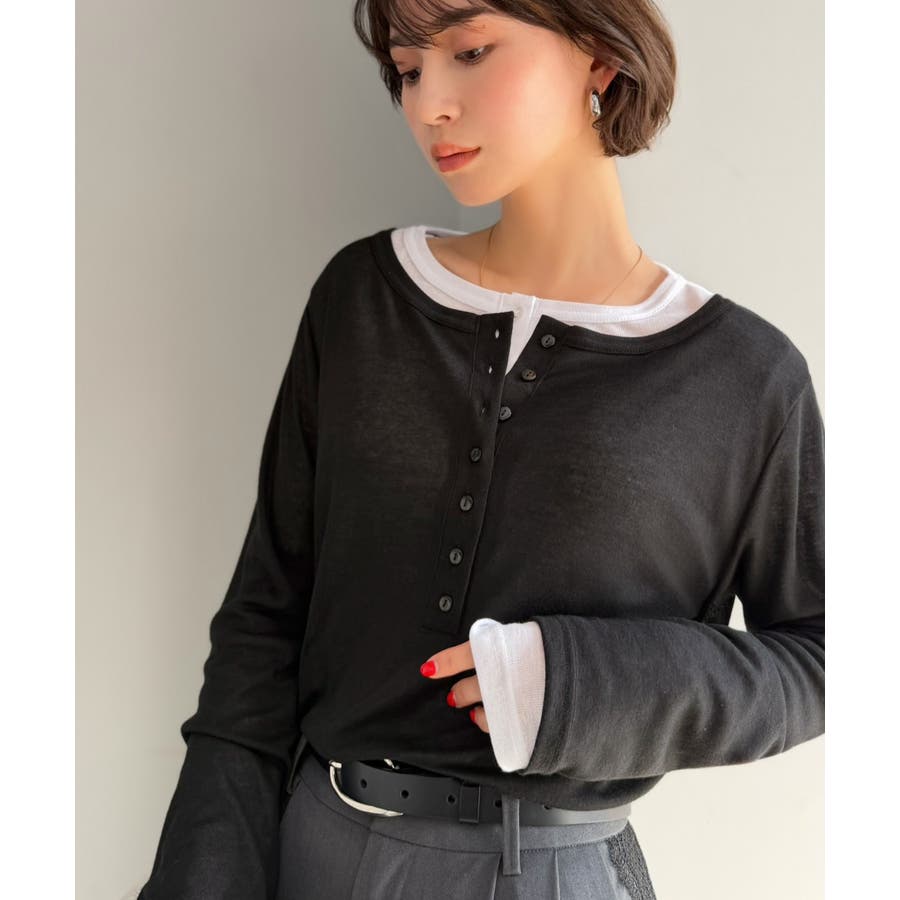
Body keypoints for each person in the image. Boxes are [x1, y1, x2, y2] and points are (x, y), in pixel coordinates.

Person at [138, 1, 825, 898]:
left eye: (469, 51)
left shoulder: (743, 377)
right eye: (407, 70)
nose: (429, 105)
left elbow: (824, 658)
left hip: (556, 872)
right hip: (316, 849)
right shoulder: (362, 301)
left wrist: (577, 681)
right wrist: (202, 876)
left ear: (599, 54)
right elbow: (265, 618)